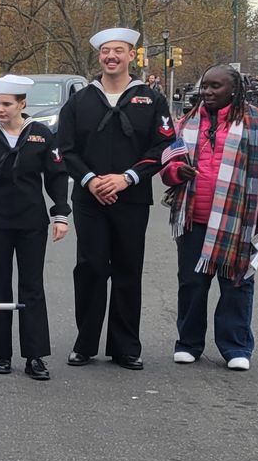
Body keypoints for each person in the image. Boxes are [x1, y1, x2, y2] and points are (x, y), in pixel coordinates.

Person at [57, 27, 172, 371]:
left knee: (127, 269)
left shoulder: (151, 99)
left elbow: (163, 145)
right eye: (106, 51)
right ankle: (85, 343)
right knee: (90, 268)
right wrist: (91, 180)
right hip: (89, 199)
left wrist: (127, 178)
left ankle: (126, 346)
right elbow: (66, 148)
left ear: (130, 56)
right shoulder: (80, 100)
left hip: (132, 197)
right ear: (99, 57)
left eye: (118, 51)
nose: (111, 57)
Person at [159, 65, 258, 372]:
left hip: (237, 224)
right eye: (205, 86)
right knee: (191, 284)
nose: (208, 92)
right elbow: (168, 163)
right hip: (193, 220)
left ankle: (235, 346)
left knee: (236, 286)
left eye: (216, 87)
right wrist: (177, 172)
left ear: (234, 90)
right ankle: (188, 344)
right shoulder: (187, 122)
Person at [0, 75, 70, 381]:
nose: (0, 109)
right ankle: (1, 352)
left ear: (22, 104)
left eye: (6, 104)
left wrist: (61, 214)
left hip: (32, 221)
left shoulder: (41, 134)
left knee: (32, 286)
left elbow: (57, 176)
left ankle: (35, 355)